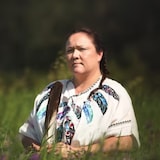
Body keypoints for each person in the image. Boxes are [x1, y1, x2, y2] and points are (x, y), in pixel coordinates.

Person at [19, 27, 140, 158]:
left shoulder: (114, 93)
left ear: (99, 54)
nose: (75, 55)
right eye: (70, 50)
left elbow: (126, 141)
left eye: (82, 49)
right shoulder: (51, 90)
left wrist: (77, 152)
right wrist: (42, 152)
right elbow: (26, 135)